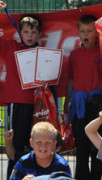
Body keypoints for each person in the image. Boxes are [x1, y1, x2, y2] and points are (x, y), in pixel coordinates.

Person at [64, 15, 102, 180]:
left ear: (97, 33)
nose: (85, 34)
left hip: (97, 106)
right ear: (78, 32)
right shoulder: (74, 55)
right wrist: (66, 103)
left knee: (98, 149)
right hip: (79, 108)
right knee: (82, 149)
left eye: (89, 31)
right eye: (82, 31)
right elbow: (70, 80)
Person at [0, 1, 44, 177]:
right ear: (20, 32)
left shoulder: (43, 52)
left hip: (38, 104)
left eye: (33, 32)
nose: (30, 35)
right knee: (15, 145)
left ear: (39, 34)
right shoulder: (11, 46)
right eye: (25, 31)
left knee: (35, 144)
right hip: (17, 103)